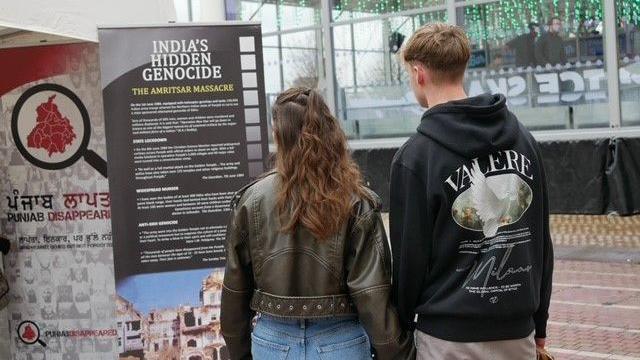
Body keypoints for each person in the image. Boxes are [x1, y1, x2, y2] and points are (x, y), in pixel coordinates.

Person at [390, 23, 554, 360]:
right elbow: (541, 242)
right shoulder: (525, 141)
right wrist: (539, 325)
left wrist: (402, 326)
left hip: (447, 339)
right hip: (517, 333)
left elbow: (409, 259)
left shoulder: (415, 158)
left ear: (419, 73)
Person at [221, 87, 415, 360]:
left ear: (278, 135)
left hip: (273, 344)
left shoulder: (250, 201)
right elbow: (373, 298)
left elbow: (234, 295)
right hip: (341, 342)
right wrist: (398, 354)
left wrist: (240, 354)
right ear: (329, 131)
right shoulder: (356, 202)